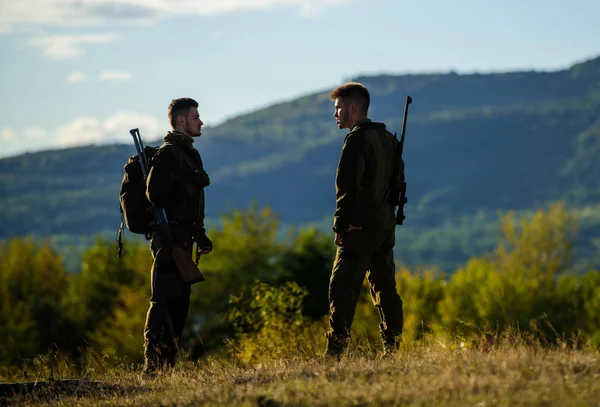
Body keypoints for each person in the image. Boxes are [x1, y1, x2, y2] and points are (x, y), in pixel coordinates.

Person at [324, 82, 404, 358]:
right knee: (385, 288)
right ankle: (391, 349)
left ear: (353, 108)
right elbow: (398, 184)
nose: (335, 114)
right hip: (384, 225)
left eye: (338, 108)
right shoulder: (389, 139)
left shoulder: (357, 139)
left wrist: (341, 225)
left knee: (341, 287)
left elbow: (346, 185)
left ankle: (336, 351)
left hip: (359, 227)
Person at [142, 97, 213, 376]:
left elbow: (191, 205)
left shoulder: (190, 154)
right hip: (168, 239)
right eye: (196, 116)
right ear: (181, 121)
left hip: (184, 238)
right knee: (162, 303)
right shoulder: (169, 153)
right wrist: (190, 183)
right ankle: (152, 368)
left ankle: (168, 366)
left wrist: (200, 235)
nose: (200, 121)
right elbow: (154, 195)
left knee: (180, 305)